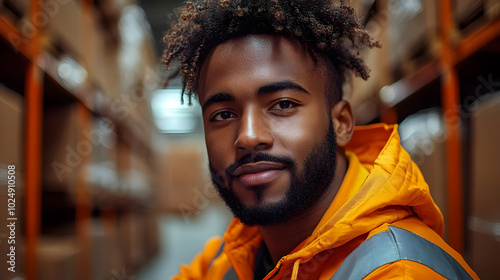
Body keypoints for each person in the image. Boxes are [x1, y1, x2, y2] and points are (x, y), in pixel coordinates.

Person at [162, 0, 478, 279]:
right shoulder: (234, 252)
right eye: (222, 115)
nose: (248, 136)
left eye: (283, 105)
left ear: (340, 123)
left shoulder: (400, 272)